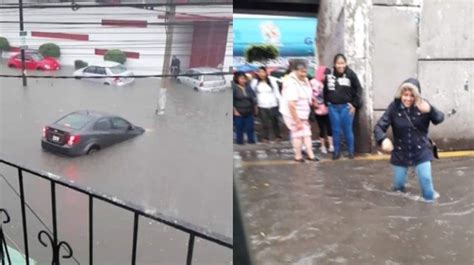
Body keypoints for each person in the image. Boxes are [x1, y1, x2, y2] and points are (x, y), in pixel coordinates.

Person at [374, 78, 444, 202]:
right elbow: (379, 127)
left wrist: (430, 109)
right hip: (400, 153)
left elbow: (439, 119)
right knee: (398, 189)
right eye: (405, 95)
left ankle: (429, 216)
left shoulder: (423, 105)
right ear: (401, 94)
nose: (408, 98)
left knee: (428, 190)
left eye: (412, 95)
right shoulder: (394, 107)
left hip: (421, 151)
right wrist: (383, 139)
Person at [323, 53, 362, 160]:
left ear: (345, 63)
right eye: (338, 63)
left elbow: (358, 89)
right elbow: (325, 89)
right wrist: (327, 103)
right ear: (334, 64)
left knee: (347, 130)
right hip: (333, 108)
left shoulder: (350, 74)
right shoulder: (329, 75)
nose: (340, 66)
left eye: (342, 63)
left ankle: (351, 152)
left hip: (346, 107)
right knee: (335, 130)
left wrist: (354, 104)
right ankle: (336, 152)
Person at [279, 60, 318, 162]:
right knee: (298, 135)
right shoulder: (291, 82)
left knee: (307, 134)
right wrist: (296, 120)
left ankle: (311, 155)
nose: (304, 74)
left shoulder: (304, 80)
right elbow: (291, 104)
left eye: (305, 71)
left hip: (303, 112)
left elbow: (308, 93)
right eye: (301, 72)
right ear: (295, 71)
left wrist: (312, 100)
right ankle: (298, 156)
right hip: (293, 113)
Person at [250, 66, 282, 143]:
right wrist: (255, 104)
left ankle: (277, 136)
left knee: (275, 121)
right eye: (259, 72)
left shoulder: (271, 80)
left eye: (263, 72)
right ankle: (265, 138)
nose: (261, 74)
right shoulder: (255, 82)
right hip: (261, 105)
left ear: (266, 72)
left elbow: (277, 93)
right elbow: (253, 94)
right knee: (264, 122)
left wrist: (280, 103)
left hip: (273, 104)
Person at [310, 65, 334, 154]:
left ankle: (331, 145)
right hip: (318, 109)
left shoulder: (329, 83)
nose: (326, 77)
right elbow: (310, 94)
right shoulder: (313, 82)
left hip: (328, 108)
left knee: (329, 127)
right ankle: (322, 146)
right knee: (321, 128)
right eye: (325, 74)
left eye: (328, 75)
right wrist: (313, 102)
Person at [233, 71, 257, 145]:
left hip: (249, 111)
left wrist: (255, 108)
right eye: (241, 78)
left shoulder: (248, 87)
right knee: (239, 128)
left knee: (250, 128)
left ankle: (251, 142)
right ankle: (240, 143)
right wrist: (235, 111)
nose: (243, 80)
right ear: (237, 79)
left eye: (244, 78)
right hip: (239, 112)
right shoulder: (234, 88)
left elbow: (253, 97)